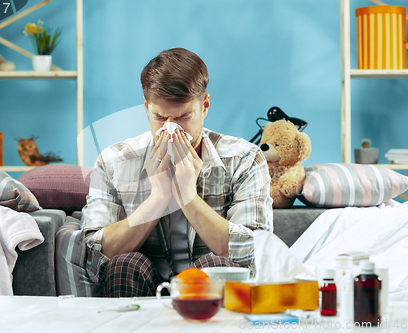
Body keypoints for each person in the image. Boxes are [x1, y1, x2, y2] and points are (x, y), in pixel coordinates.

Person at [82, 47, 273, 297]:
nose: (171, 131)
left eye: (183, 117)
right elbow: (97, 256)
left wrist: (188, 197)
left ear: (204, 106)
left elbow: (255, 251)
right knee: (122, 265)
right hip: (141, 283)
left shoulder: (244, 158)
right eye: (160, 117)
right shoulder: (113, 160)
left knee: (213, 269)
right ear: (146, 107)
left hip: (209, 290)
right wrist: (158, 197)